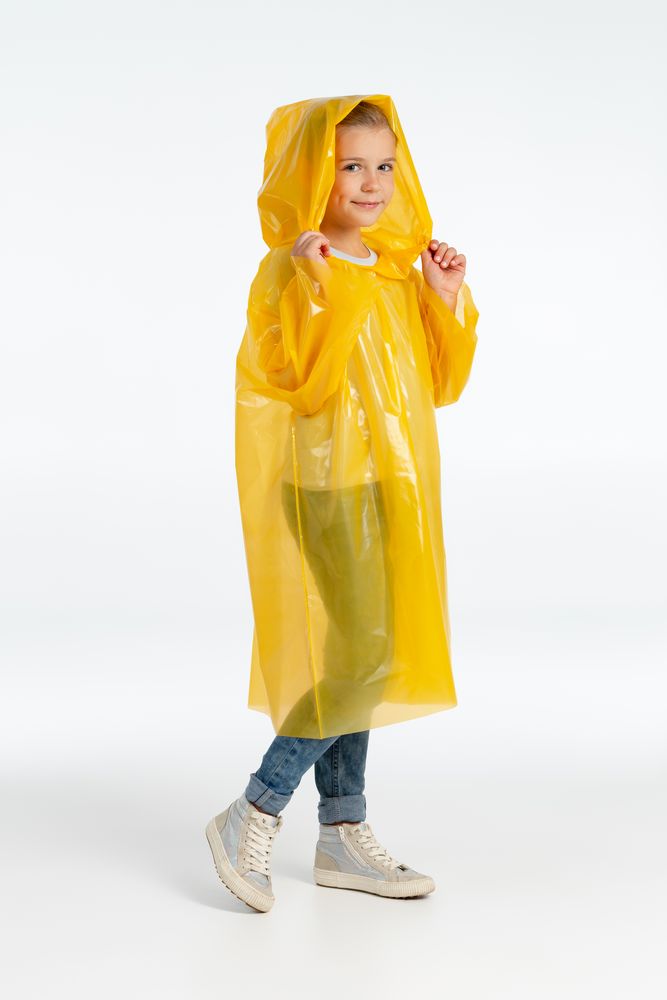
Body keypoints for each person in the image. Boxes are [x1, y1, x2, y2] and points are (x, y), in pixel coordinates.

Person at [206, 95, 480, 912]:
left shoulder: (392, 268)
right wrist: (317, 282)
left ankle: (341, 830)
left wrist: (443, 294)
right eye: (350, 165)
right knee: (364, 657)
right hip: (326, 481)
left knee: (354, 657)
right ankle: (255, 806)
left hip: (390, 480)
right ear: (311, 174)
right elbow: (296, 379)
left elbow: (438, 383)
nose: (370, 183)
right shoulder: (293, 267)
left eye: (383, 165)